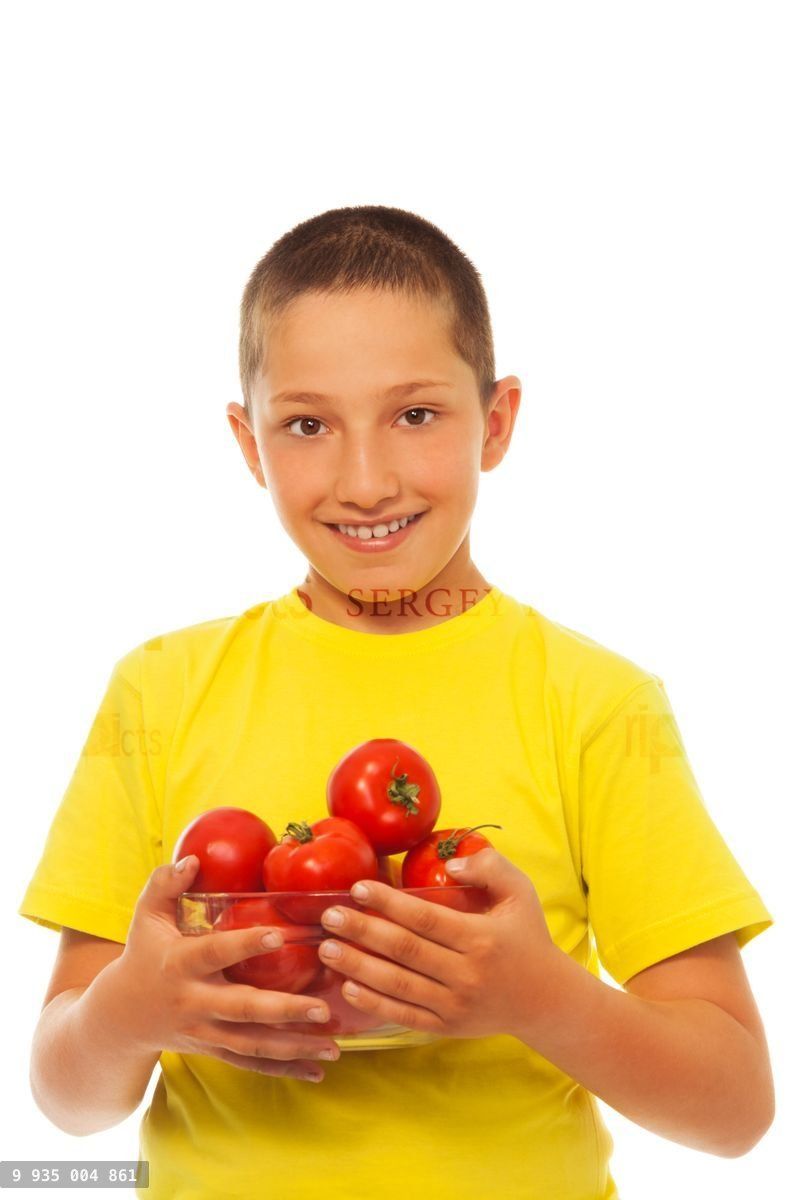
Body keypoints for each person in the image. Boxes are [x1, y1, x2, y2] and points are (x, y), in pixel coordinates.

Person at [20, 206, 775, 1200]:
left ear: (495, 422)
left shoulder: (594, 703)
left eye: (414, 415)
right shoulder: (158, 690)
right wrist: (127, 1016)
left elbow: (734, 1110)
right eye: (307, 425)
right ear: (249, 444)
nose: (365, 482)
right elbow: (67, 1099)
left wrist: (543, 1000)